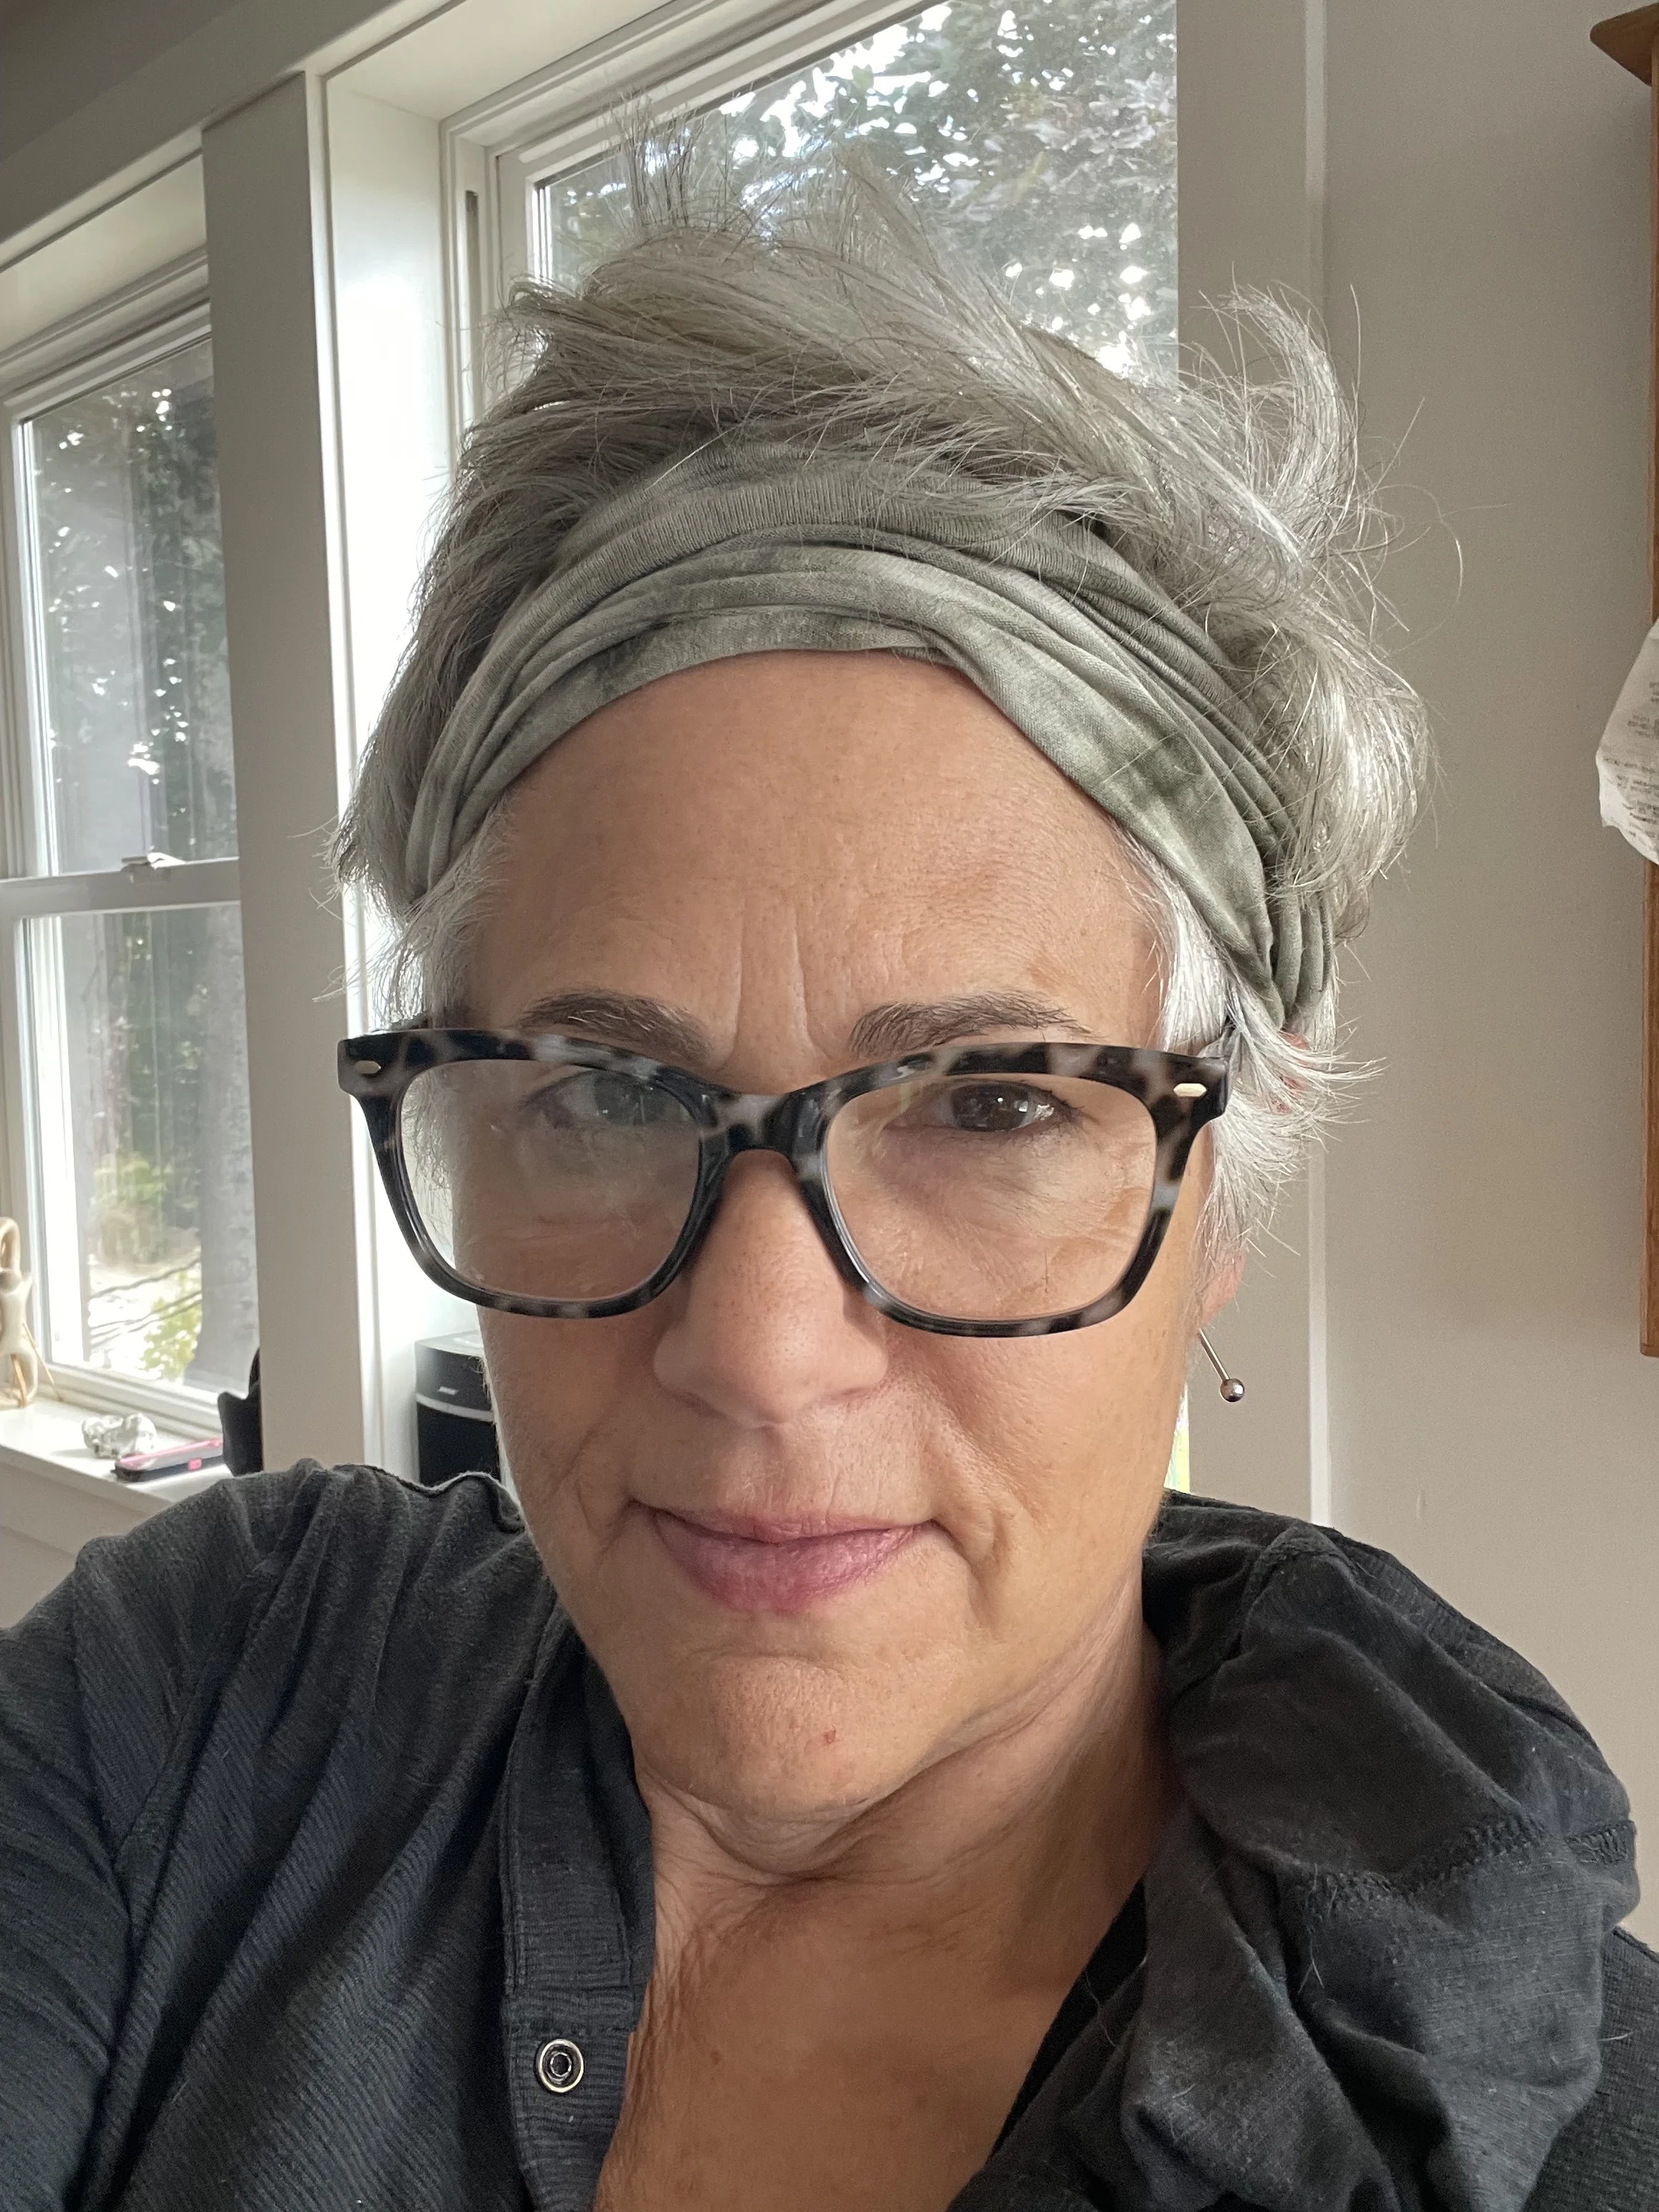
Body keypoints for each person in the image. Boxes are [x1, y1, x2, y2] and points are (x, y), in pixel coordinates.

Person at [3, 152, 1655, 2212]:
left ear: (1217, 1189)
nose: (764, 1357)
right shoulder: (214, 1707)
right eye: (603, 1091)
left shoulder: (1540, 2140)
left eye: (989, 1106)